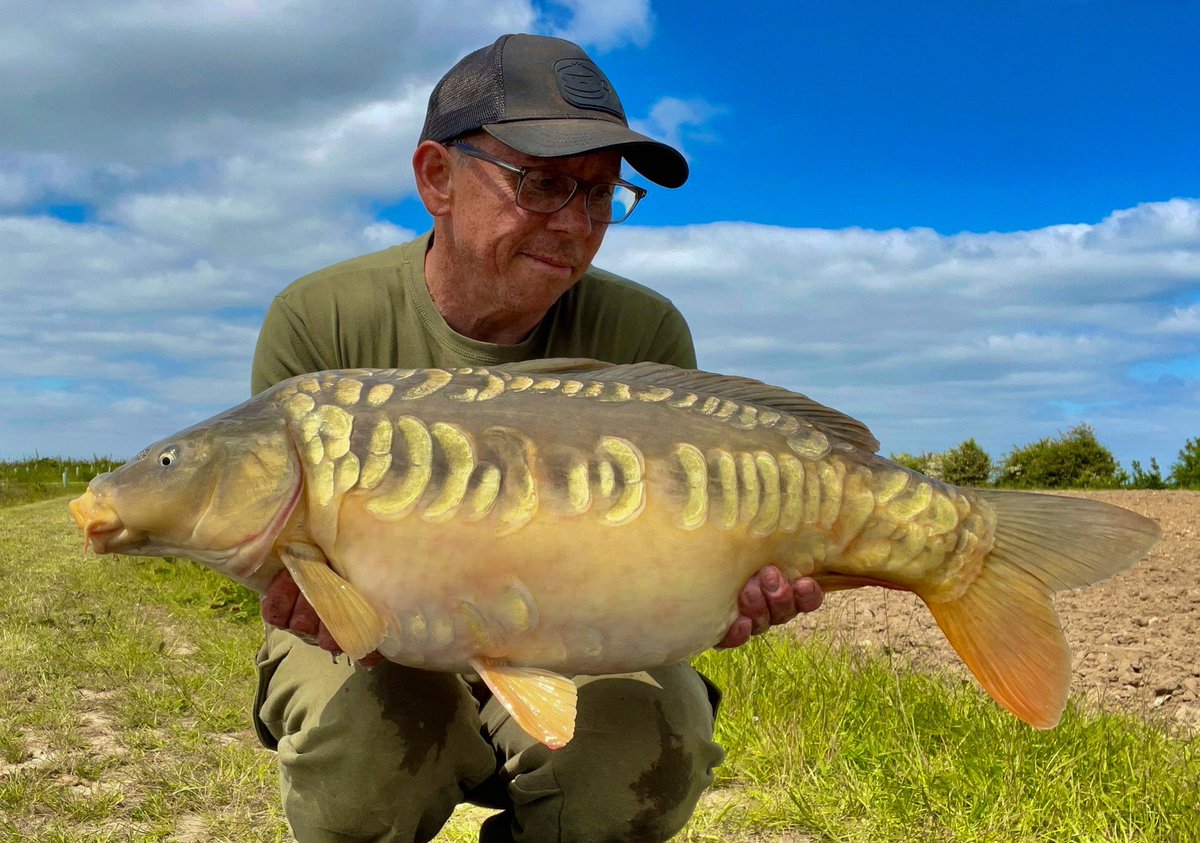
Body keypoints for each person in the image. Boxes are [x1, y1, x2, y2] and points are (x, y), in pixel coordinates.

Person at [249, 33, 824, 843]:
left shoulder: (645, 330)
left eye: (600, 196)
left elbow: (663, 557)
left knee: (641, 747)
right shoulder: (320, 321)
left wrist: (715, 592)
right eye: (545, 184)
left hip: (577, 634)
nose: (577, 225)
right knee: (371, 745)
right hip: (373, 639)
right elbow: (280, 551)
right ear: (436, 178)